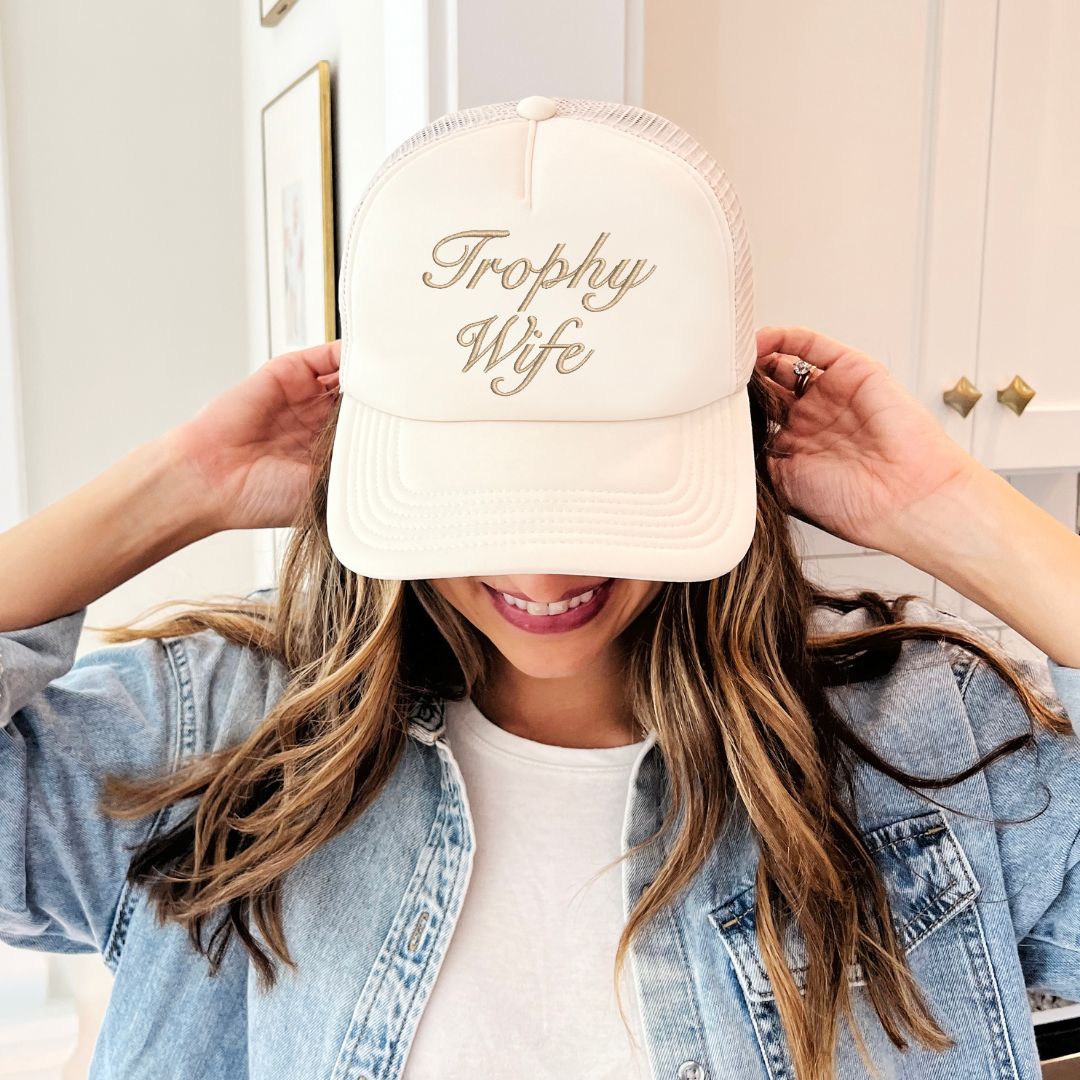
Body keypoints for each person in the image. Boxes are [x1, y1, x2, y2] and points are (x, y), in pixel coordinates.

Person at [3, 92, 1080, 1080]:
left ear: (722, 451)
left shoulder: (922, 750)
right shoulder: (219, 742)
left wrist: (942, 502)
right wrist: (178, 487)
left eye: (609, 497)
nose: (545, 570)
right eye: (487, 497)